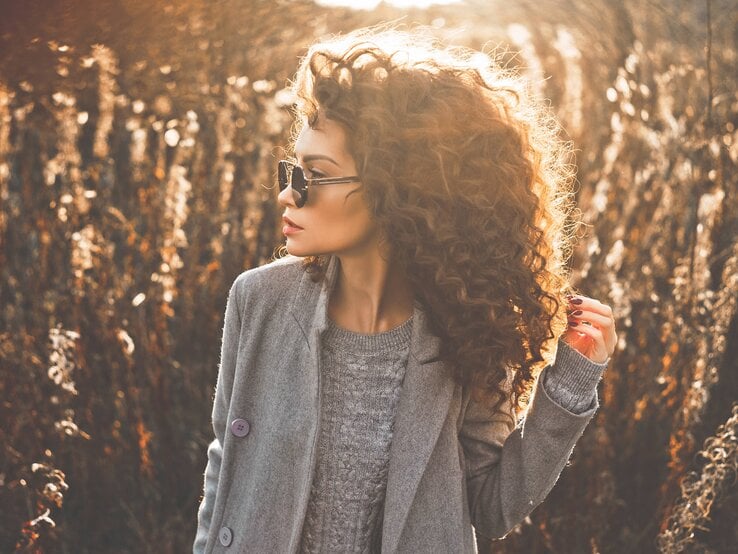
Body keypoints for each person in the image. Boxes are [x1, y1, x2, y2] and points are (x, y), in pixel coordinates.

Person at [193, 25, 617, 554]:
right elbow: (225, 471)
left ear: (396, 189)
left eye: (312, 175)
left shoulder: (472, 328)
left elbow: (492, 508)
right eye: (290, 170)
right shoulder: (259, 301)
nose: (286, 194)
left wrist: (568, 390)